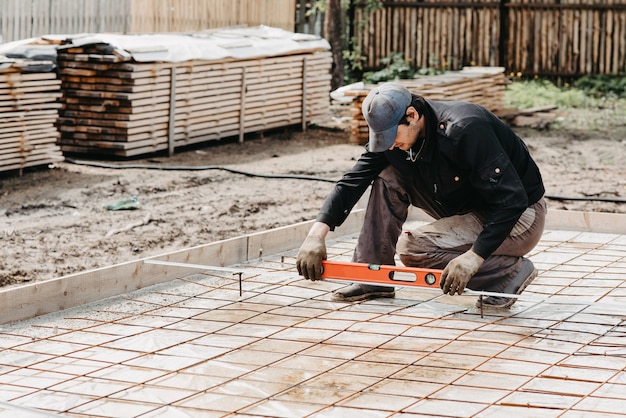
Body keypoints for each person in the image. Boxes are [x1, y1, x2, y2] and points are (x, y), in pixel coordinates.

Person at [296, 82, 546, 308]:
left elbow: (512, 200)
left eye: (392, 136)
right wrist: (316, 235)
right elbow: (352, 181)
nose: (390, 144)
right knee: (388, 175)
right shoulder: (394, 139)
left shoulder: (466, 128)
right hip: (466, 206)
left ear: (412, 115)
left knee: (415, 248)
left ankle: (509, 272)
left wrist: (474, 256)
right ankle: (372, 277)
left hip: (520, 216)